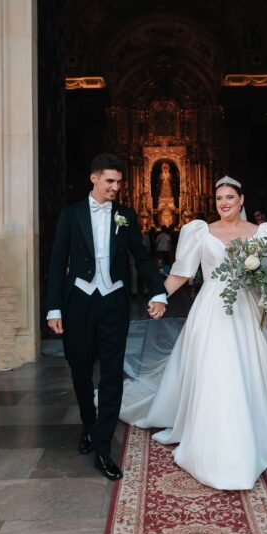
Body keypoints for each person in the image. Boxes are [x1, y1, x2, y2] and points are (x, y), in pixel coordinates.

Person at [120, 175, 267, 490]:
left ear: (241, 200)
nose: (224, 203)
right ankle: (212, 434)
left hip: (245, 311)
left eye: (230, 198)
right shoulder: (201, 232)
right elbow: (181, 273)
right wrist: (159, 297)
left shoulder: (262, 234)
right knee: (214, 369)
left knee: (243, 369)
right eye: (219, 198)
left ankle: (248, 433)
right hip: (211, 310)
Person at [46, 153, 167, 481]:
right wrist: (53, 308)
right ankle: (89, 424)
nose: (115, 188)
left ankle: (103, 448)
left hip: (114, 302)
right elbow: (58, 264)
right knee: (81, 371)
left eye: (119, 182)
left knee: (112, 374)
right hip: (79, 303)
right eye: (110, 181)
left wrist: (158, 291)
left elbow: (141, 258)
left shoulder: (125, 216)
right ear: (94, 178)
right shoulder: (70, 215)